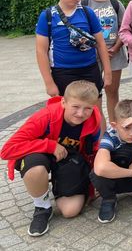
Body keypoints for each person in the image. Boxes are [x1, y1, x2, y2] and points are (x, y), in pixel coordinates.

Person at [1, 81, 101, 237]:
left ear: (94, 107)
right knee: (36, 170)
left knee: (70, 211)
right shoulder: (45, 116)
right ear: (63, 102)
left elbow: (92, 153)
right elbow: (6, 150)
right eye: (75, 106)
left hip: (67, 159)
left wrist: (92, 186)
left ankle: (57, 184)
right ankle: (42, 207)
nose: (81, 113)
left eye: (87, 108)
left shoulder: (93, 121)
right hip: (39, 155)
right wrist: (50, 146)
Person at [35, 0, 112, 102]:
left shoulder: (88, 13)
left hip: (90, 69)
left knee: (94, 109)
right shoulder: (47, 16)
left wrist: (108, 72)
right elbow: (41, 51)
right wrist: (49, 83)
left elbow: (100, 43)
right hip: (62, 72)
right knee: (67, 110)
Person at [90, 100, 132, 223]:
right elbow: (100, 168)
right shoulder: (110, 136)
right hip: (116, 179)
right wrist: (131, 172)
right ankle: (109, 199)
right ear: (114, 125)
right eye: (126, 128)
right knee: (96, 171)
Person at [84, 0, 128, 123]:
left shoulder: (116, 4)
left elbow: (125, 28)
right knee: (94, 93)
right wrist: (97, 49)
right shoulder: (84, 4)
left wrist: (115, 48)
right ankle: (98, 126)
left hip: (114, 53)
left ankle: (114, 126)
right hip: (92, 54)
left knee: (112, 91)